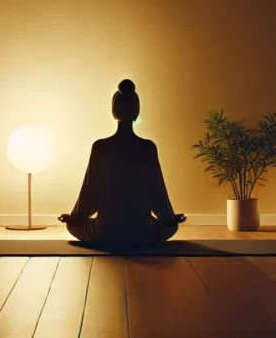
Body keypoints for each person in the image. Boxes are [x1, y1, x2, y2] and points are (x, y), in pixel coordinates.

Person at [59, 79, 186, 249]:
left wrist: (74, 219)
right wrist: (170, 220)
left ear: (114, 112)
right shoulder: (148, 148)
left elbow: (89, 195)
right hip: (143, 235)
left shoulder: (100, 147)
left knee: (73, 226)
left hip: (105, 234)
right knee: (172, 227)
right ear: (136, 113)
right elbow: (158, 194)